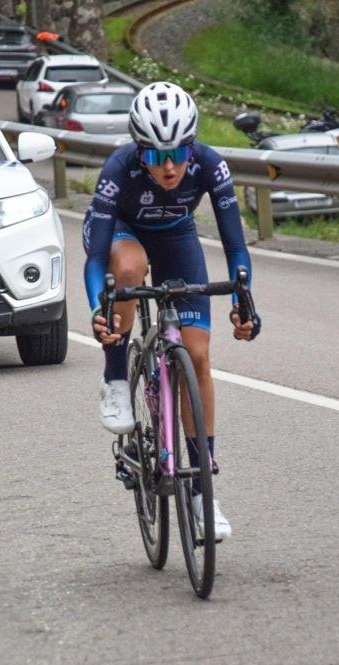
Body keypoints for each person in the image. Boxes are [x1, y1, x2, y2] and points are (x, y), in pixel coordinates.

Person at [83, 81, 260, 540]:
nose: (168, 166)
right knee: (129, 267)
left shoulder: (211, 166)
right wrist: (100, 309)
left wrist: (243, 301)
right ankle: (115, 378)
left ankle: (202, 492)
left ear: (192, 147)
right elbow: (97, 260)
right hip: (121, 235)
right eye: (156, 154)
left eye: (178, 154)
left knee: (197, 357)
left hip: (177, 238)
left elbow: (235, 247)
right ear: (139, 150)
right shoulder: (118, 169)